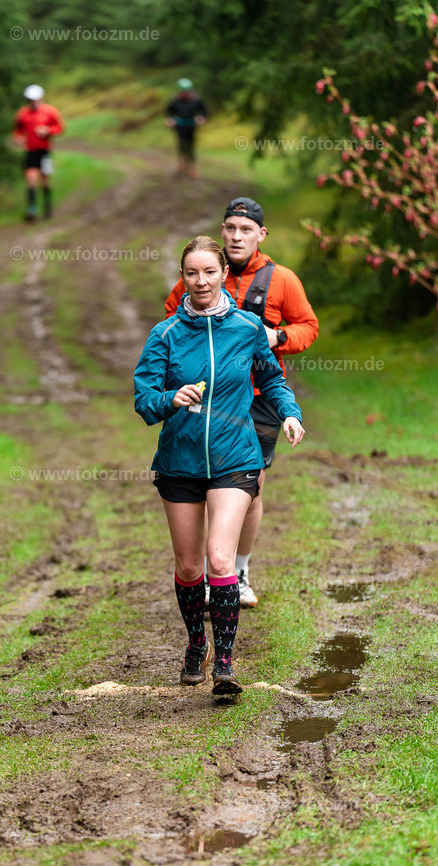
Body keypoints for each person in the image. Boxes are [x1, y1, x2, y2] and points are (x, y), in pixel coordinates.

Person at [135, 236, 305, 694]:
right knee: (190, 567)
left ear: (222, 275)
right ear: (183, 278)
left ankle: (225, 664)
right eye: (192, 273)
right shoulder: (165, 335)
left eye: (209, 272)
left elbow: (271, 377)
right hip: (180, 462)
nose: (201, 281)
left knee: (218, 558)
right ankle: (197, 644)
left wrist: (289, 412)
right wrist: (172, 398)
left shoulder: (247, 327)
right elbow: (144, 402)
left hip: (235, 459)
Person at [164, 198, 318, 607]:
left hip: (260, 398)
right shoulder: (203, 271)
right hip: (208, 399)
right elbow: (170, 326)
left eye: (245, 229)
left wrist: (277, 337)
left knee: (250, 486)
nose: (236, 236)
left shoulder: (282, 278)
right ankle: (214, 566)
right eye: (230, 227)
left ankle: (238, 569)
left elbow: (309, 326)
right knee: (204, 476)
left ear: (260, 235)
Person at [13, 85, 65, 222]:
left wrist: (48, 130)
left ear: (41, 98)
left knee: (45, 180)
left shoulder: (50, 112)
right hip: (30, 151)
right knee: (31, 179)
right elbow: (17, 130)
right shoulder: (22, 113)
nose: (33, 102)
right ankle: (32, 210)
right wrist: (18, 138)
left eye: (35, 99)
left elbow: (60, 128)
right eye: (30, 99)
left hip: (44, 151)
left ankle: (48, 208)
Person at [165, 79, 208, 179]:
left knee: (191, 145)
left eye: (187, 92)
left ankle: (192, 167)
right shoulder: (175, 101)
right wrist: (170, 120)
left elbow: (204, 111)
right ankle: (182, 163)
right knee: (181, 144)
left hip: (191, 125)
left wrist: (201, 118)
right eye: (183, 92)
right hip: (180, 125)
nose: (185, 94)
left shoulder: (197, 100)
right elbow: (169, 112)